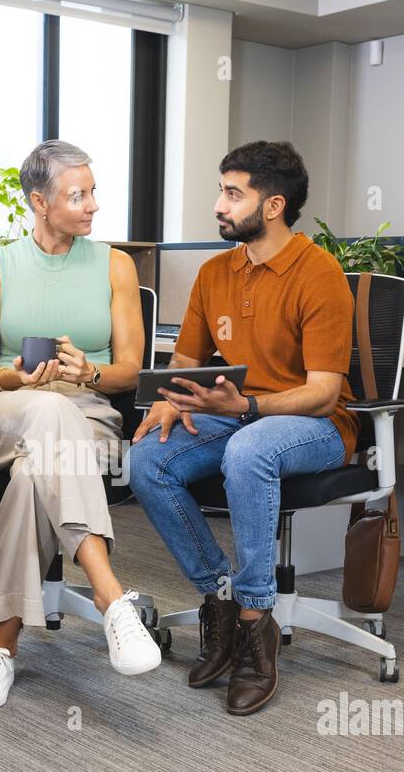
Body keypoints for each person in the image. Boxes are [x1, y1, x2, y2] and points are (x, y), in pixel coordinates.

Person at [127, 140, 357, 716]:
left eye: (234, 194)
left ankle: (257, 623)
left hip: (316, 426)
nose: (219, 205)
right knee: (147, 459)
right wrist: (167, 400)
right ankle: (222, 598)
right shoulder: (215, 271)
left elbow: (325, 390)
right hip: (236, 418)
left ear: (273, 205)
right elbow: (185, 365)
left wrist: (248, 408)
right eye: (221, 191)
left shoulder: (319, 274)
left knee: (250, 448)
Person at [0, 139, 161, 711]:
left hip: (89, 414)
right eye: (79, 194)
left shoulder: (116, 266)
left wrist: (89, 373)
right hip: (5, 412)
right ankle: (111, 598)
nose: (94, 205)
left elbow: (129, 374)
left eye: (94, 192)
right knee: (46, 411)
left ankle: (1, 644)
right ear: (39, 202)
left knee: (33, 474)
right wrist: (16, 381)